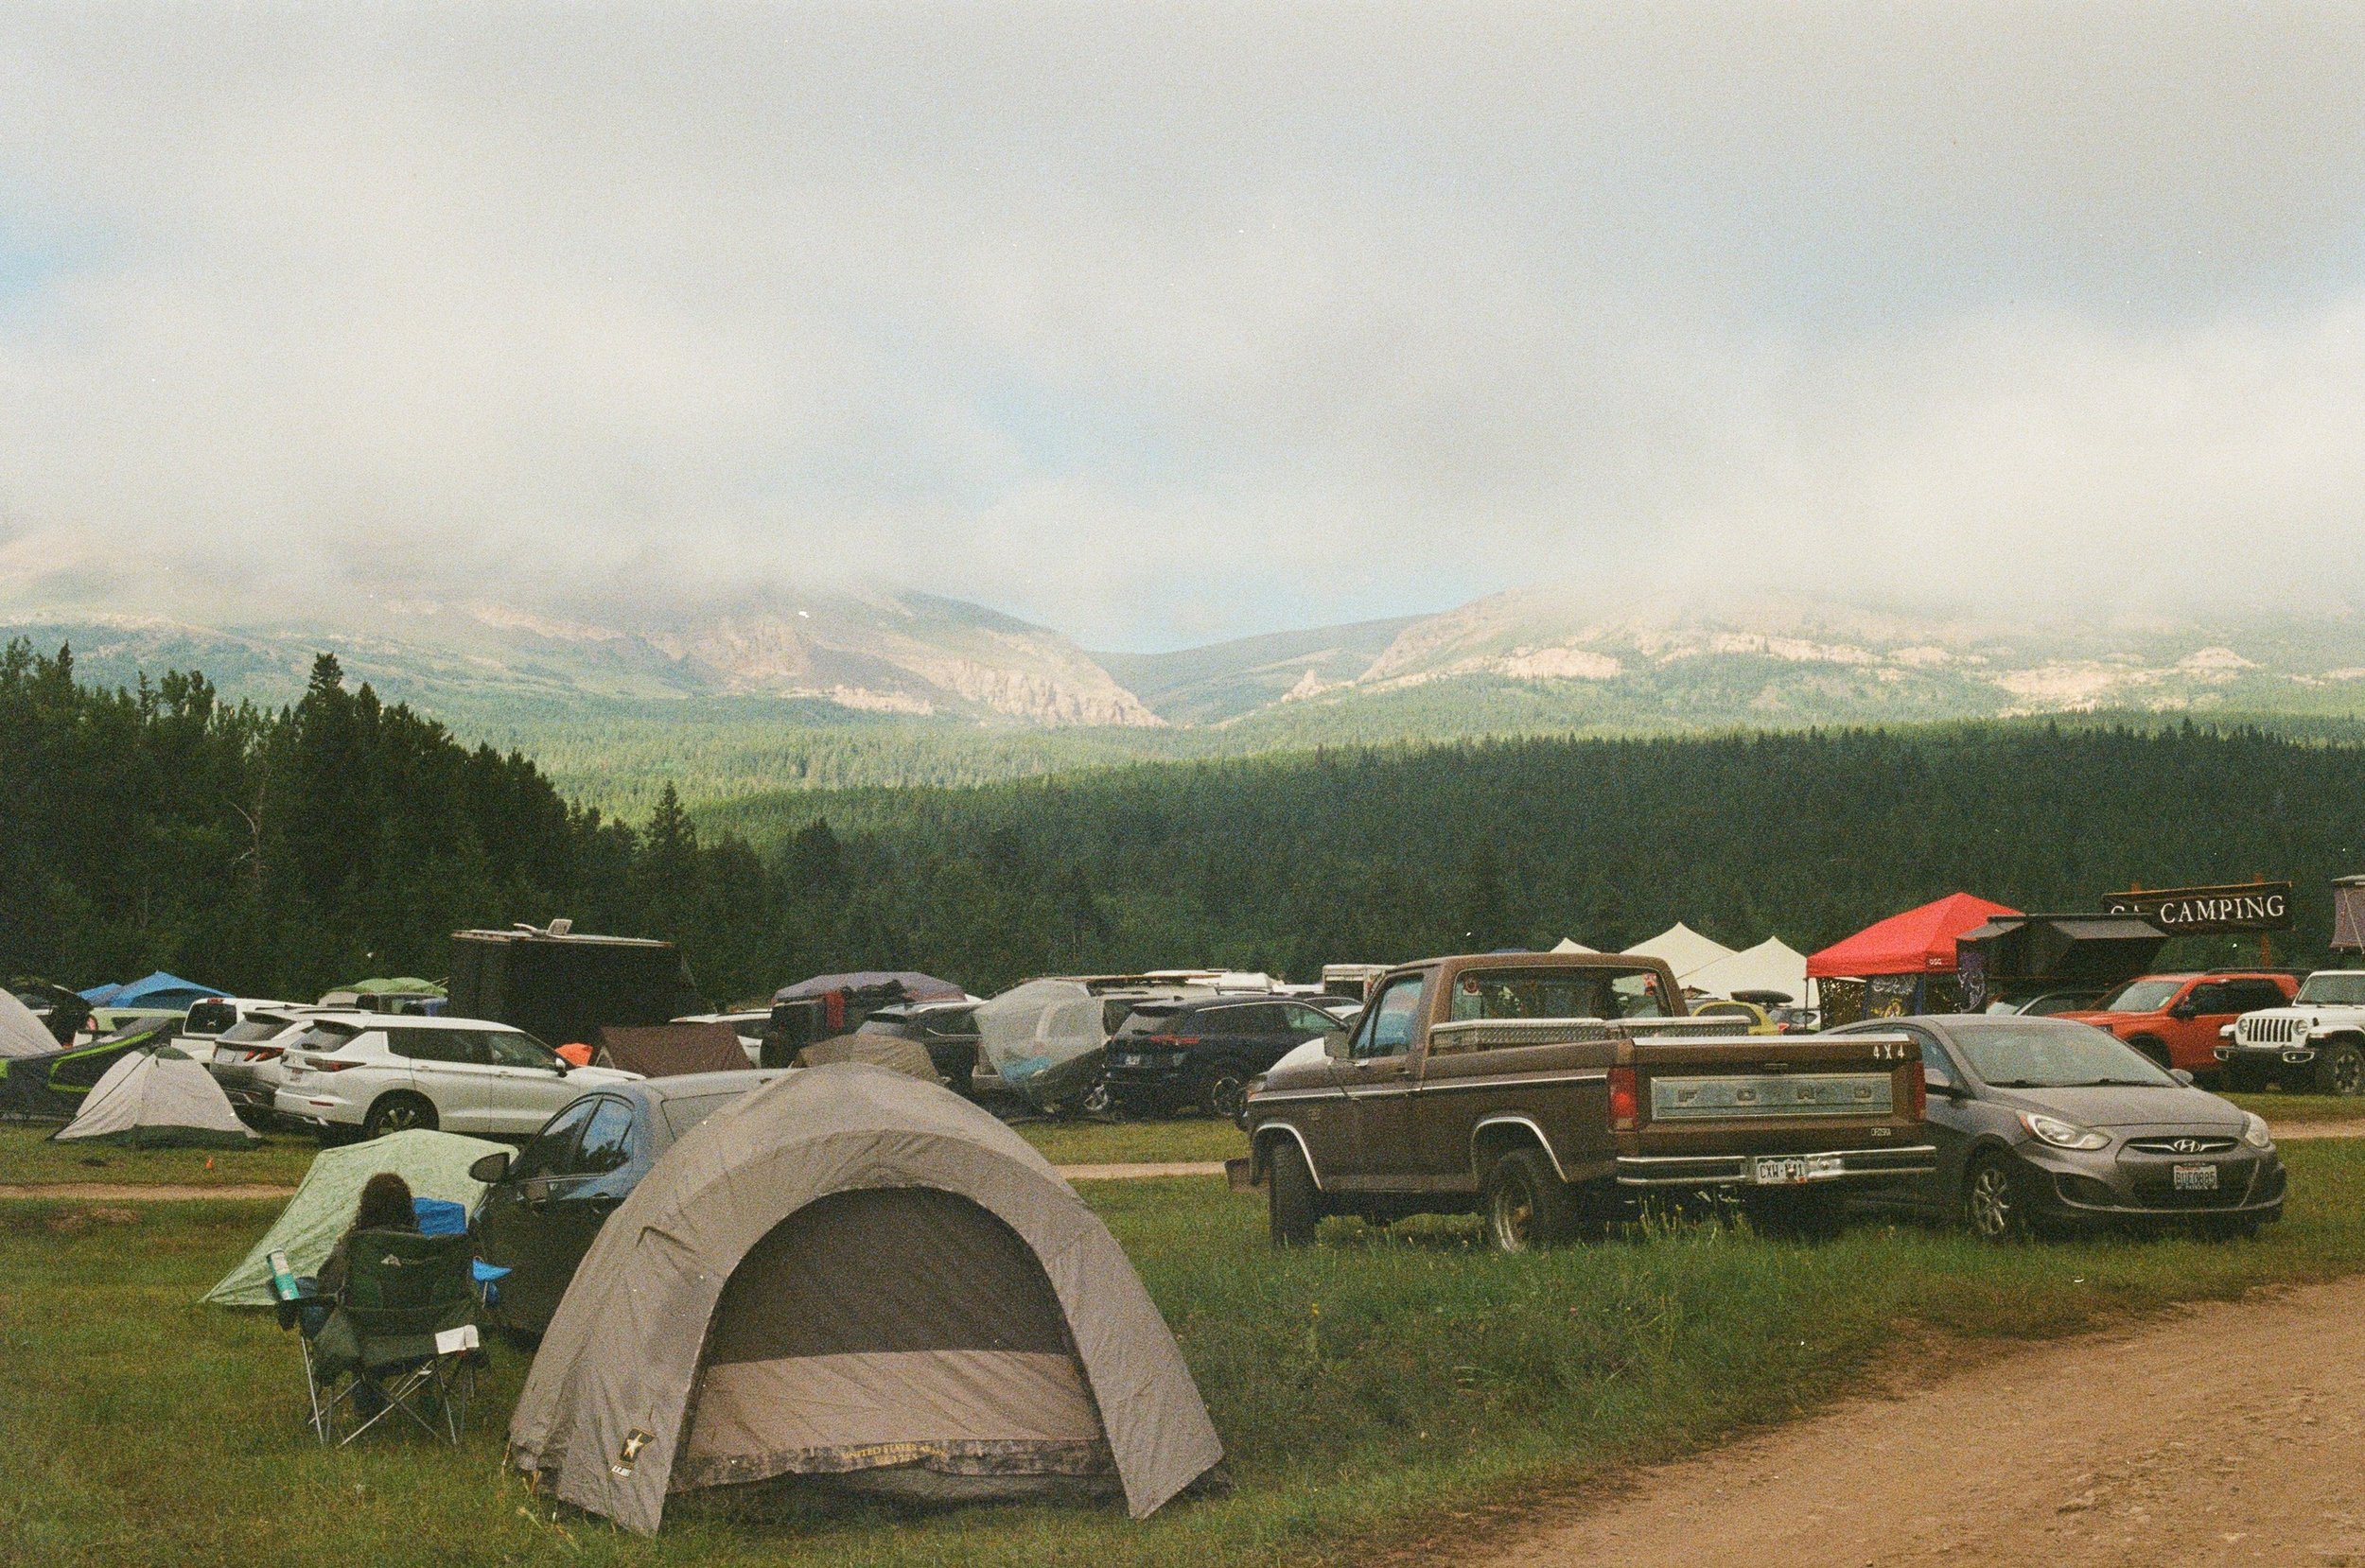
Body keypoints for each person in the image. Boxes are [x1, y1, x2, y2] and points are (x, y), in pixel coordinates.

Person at [316, 1171, 417, 1300]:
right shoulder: (420, 1248)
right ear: (408, 1207)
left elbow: (327, 1287)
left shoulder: (355, 1246)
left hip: (357, 1318)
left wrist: (339, 1247)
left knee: (304, 1284)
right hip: (407, 1318)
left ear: (366, 1207)